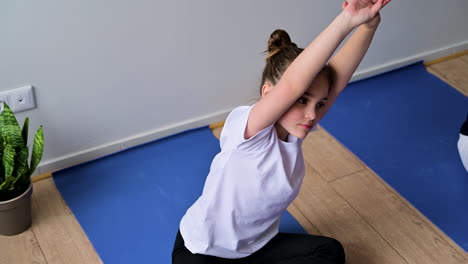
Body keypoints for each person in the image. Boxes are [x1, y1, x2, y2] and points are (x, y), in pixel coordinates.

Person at [172, 0, 391, 263]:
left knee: (329, 252)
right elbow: (291, 86)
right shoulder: (249, 133)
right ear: (268, 93)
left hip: (254, 249)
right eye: (302, 100)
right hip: (201, 252)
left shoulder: (295, 133)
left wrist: (368, 25)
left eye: (319, 104)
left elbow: (335, 81)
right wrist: (347, 20)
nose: (312, 114)